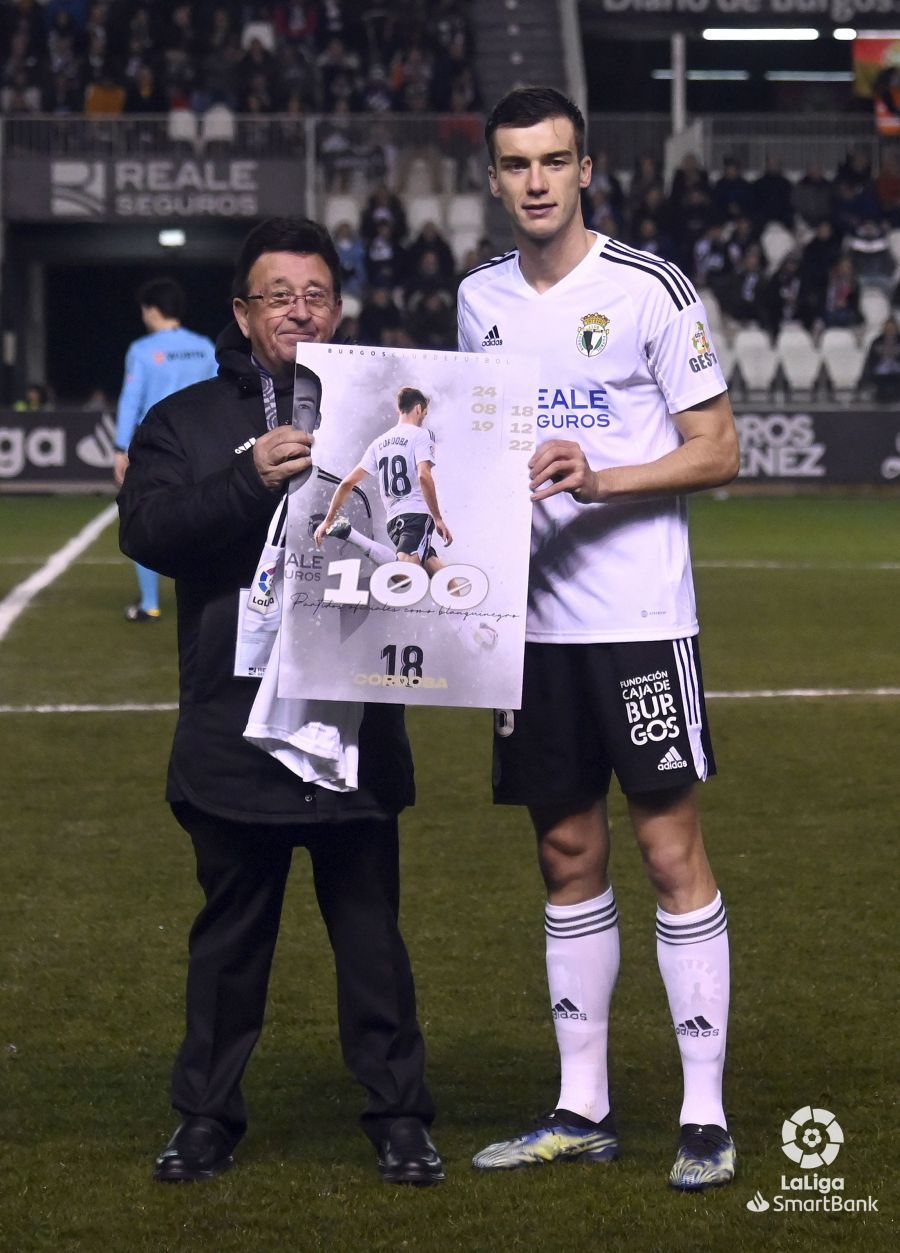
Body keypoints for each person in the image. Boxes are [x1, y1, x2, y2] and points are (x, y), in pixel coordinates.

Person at [117, 218, 443, 1187]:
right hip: (233, 726)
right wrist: (244, 476)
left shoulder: (387, 412)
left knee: (372, 939)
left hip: (355, 718)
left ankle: (399, 1115)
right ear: (242, 313)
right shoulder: (183, 419)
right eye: (277, 294)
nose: (298, 308)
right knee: (229, 941)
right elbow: (149, 529)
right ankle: (207, 1117)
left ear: (337, 306)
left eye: (314, 292)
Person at [456, 87, 740, 1191]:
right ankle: (582, 1105)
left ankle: (703, 1114)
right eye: (515, 163)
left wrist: (602, 474)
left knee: (671, 852)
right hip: (524, 629)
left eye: (554, 161)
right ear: (492, 178)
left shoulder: (649, 290)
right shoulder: (478, 300)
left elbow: (716, 449)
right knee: (565, 855)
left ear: (587, 171)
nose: (535, 181)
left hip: (637, 619)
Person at [114, 276, 216, 622]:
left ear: (152, 309)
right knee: (204, 520)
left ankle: (149, 603)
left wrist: (119, 447)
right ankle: (208, 595)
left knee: (146, 519)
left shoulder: (142, 350)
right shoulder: (204, 346)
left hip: (157, 447)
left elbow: (131, 400)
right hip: (201, 444)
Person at [314, 386, 452, 574]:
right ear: (419, 409)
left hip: (394, 521)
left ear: (399, 409)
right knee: (402, 577)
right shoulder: (422, 435)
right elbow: (424, 475)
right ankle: (350, 534)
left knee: (443, 578)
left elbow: (347, 483)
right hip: (415, 516)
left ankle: (465, 600)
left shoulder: (379, 443)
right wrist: (438, 518)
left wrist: (327, 520)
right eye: (424, 414)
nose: (423, 419)